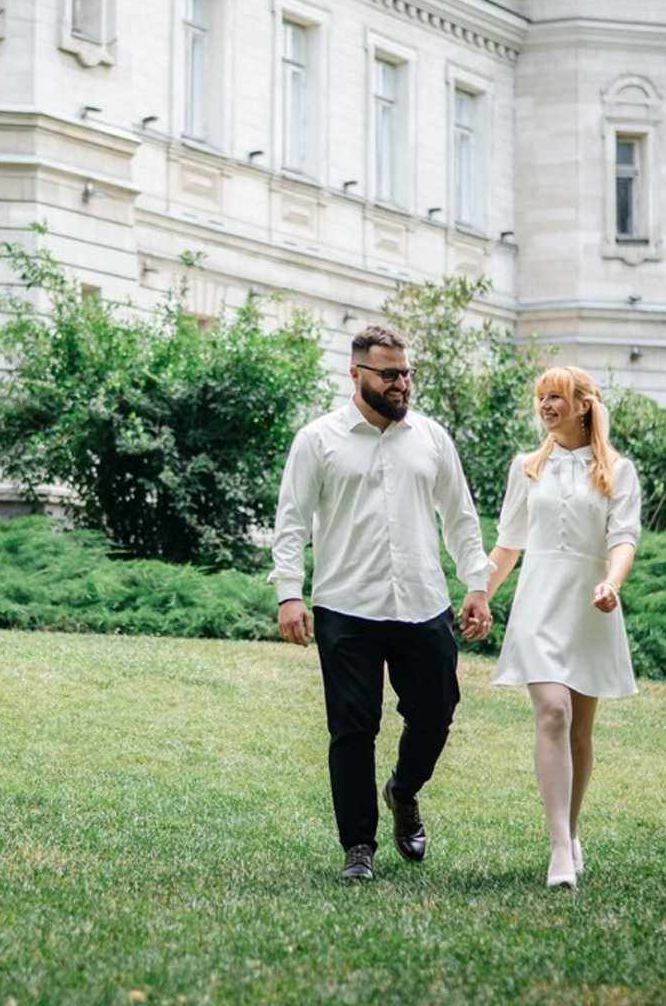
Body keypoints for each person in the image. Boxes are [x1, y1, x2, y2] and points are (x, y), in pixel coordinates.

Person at [271, 324, 494, 881]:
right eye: (389, 374)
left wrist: (476, 584)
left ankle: (404, 788)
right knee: (352, 729)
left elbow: (461, 518)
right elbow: (291, 521)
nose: (401, 385)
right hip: (347, 607)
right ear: (356, 374)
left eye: (406, 373)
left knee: (436, 712)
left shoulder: (431, 438)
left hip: (423, 602)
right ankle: (358, 847)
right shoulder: (318, 439)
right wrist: (289, 594)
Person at [485, 366, 640, 890]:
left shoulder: (618, 470)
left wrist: (612, 584)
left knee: (579, 729)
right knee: (553, 712)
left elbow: (624, 538)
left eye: (557, 397)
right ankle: (557, 850)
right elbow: (509, 543)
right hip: (538, 604)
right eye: (542, 397)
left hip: (590, 606)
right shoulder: (526, 468)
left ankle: (573, 832)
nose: (546, 406)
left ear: (584, 405)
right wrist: (479, 593)